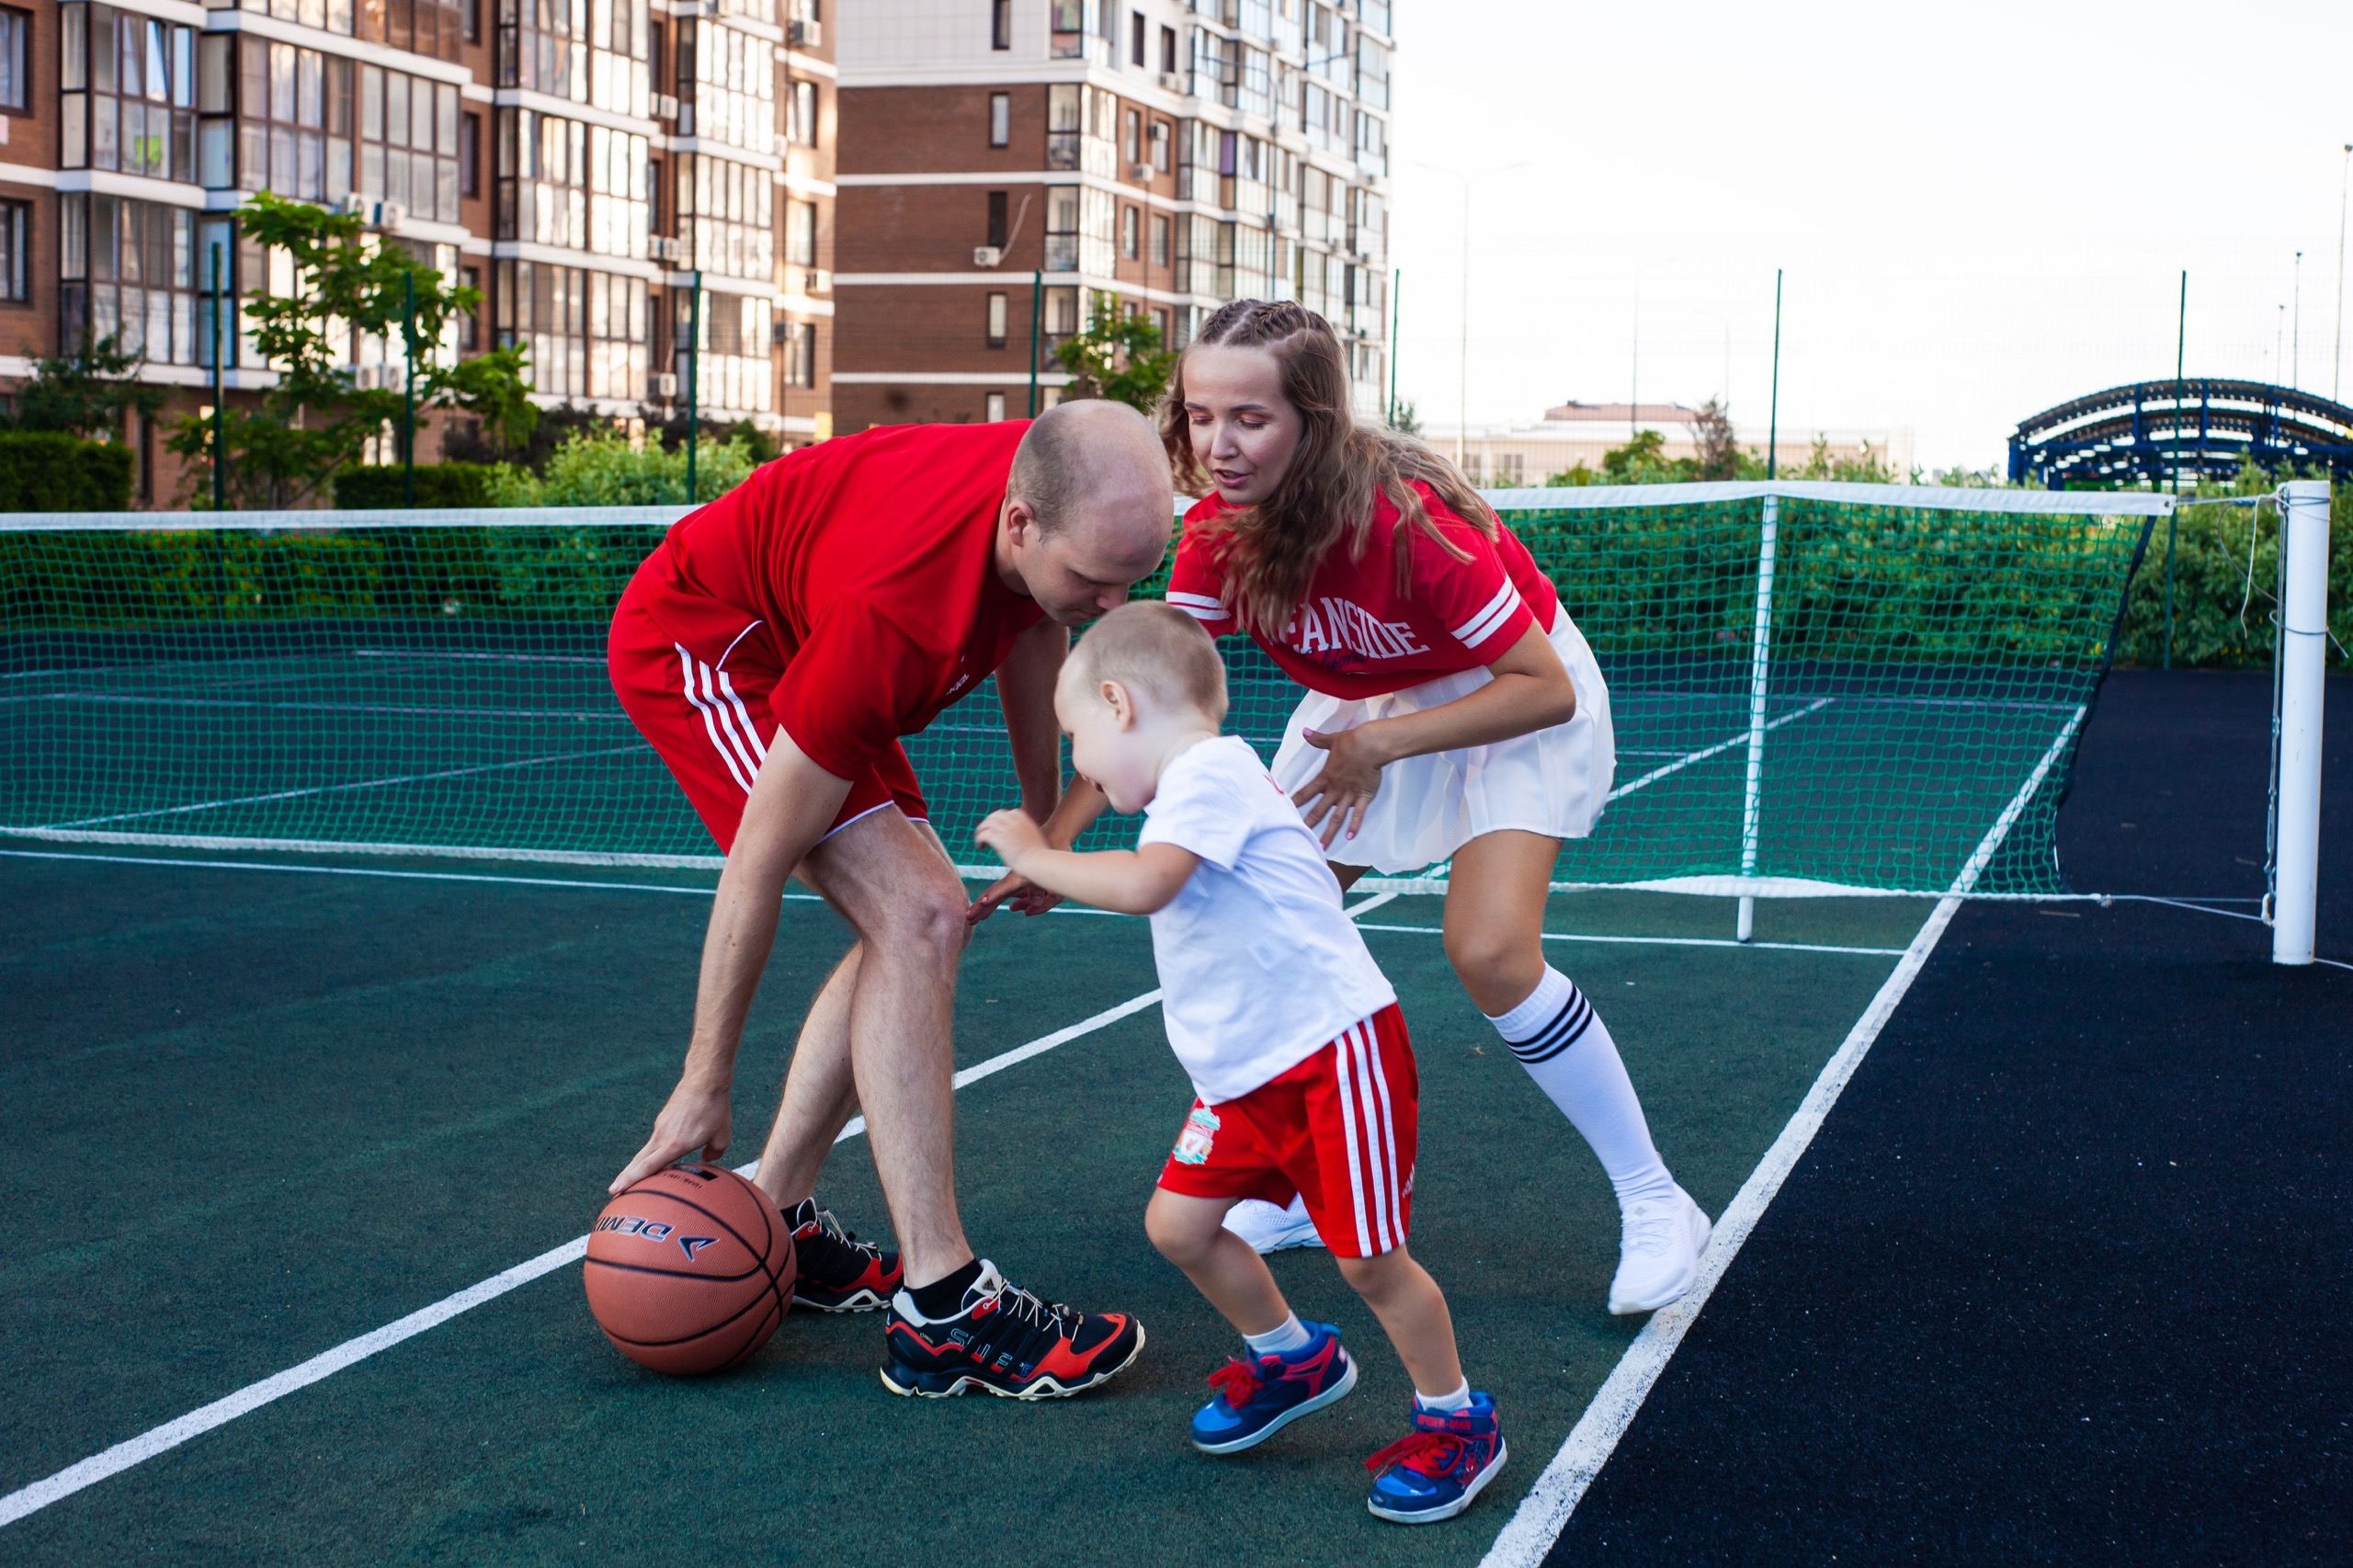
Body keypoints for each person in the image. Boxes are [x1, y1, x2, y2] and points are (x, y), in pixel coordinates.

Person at [977, 301, 1708, 1314]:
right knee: (1259, 919)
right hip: (1368, 708)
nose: (1217, 444)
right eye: (1198, 416)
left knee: (1490, 951)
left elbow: (1544, 686)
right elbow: (1142, 699)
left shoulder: (1407, 527)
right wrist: (1047, 847)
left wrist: (1381, 743)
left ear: (1312, 419)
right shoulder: (1217, 541)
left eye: (1250, 418)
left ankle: (1655, 1197)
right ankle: (1291, 1179)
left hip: (1502, 697)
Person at [606, 402, 1172, 1399]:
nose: (1110, 600)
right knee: (919, 913)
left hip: (812, 628)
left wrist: (1042, 816)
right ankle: (944, 1303)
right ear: (1020, 523)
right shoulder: (897, 608)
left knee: (919, 914)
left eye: (1135, 576)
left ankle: (773, 1205)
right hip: (711, 647)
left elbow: (1039, 614)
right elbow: (756, 859)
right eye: (1095, 575)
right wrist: (706, 1074)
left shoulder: (1058, 492)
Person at [976, 603, 1506, 1525]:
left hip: (1333, 1054)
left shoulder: (1211, 770)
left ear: (1119, 702)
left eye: (1079, 741)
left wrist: (1038, 851)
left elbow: (1147, 886)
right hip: (1245, 1074)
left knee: (1372, 1261)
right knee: (1179, 1226)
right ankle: (1291, 1354)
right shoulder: (1192, 784)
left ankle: (1458, 1419)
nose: (1083, 769)